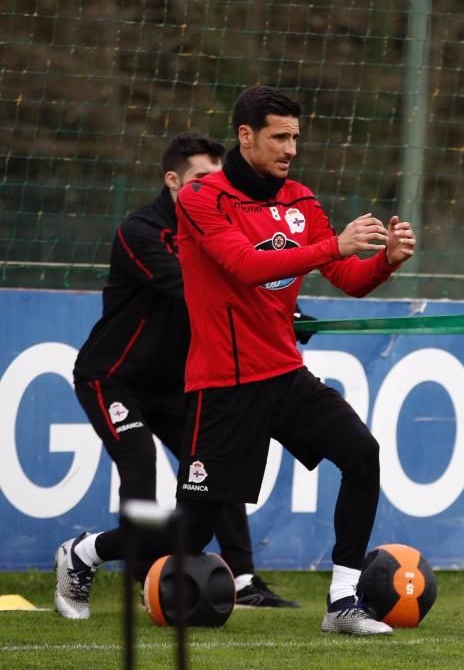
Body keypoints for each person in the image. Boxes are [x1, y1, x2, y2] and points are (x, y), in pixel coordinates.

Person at [55, 85, 416, 635]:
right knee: (192, 530)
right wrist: (333, 247)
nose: (290, 148)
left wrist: (384, 262)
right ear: (245, 136)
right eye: (279, 136)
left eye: (295, 136)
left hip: (286, 376)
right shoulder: (204, 200)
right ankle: (84, 552)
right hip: (223, 386)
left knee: (362, 454)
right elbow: (245, 266)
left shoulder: (301, 200)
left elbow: (349, 280)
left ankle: (343, 601)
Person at [73, 132, 298, 608]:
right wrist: (266, 305)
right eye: (199, 180)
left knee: (217, 470)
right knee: (139, 463)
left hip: (177, 387)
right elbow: (196, 288)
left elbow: (253, 277)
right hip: (113, 379)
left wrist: (286, 314)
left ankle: (242, 581)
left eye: (217, 180)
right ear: (172, 181)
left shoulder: (223, 228)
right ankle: (141, 579)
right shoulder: (140, 232)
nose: (210, 189)